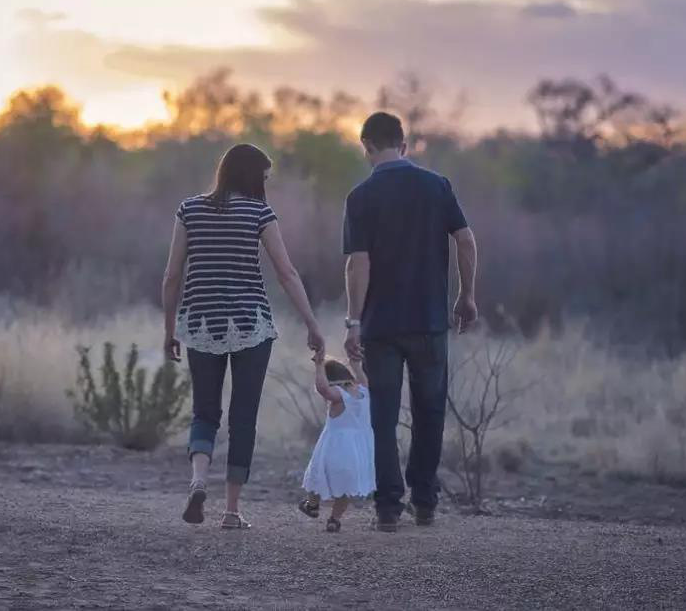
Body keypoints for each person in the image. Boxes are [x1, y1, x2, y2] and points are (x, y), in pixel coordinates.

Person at [162, 143, 325, 530]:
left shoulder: (189, 210)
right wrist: (312, 324)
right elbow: (287, 273)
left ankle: (198, 481)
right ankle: (231, 511)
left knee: (204, 411)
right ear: (251, 176)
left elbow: (172, 275)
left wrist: (170, 330)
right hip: (251, 325)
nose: (265, 185)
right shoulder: (259, 213)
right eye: (264, 178)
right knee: (243, 416)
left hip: (201, 323)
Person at [342, 112, 478, 532]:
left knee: (382, 417)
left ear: (367, 146)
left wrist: (353, 321)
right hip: (429, 321)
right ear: (403, 145)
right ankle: (424, 503)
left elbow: (358, 264)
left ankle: (387, 508)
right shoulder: (437, 186)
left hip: (381, 326)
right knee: (429, 412)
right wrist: (466, 295)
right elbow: (465, 240)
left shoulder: (360, 196)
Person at [297, 351, 376, 532]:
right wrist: (355, 364)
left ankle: (312, 505)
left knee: (317, 475)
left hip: (335, 448)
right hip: (358, 451)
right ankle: (334, 519)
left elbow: (323, 389)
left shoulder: (339, 396)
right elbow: (362, 378)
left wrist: (319, 366)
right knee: (345, 487)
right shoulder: (364, 391)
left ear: (331, 381)